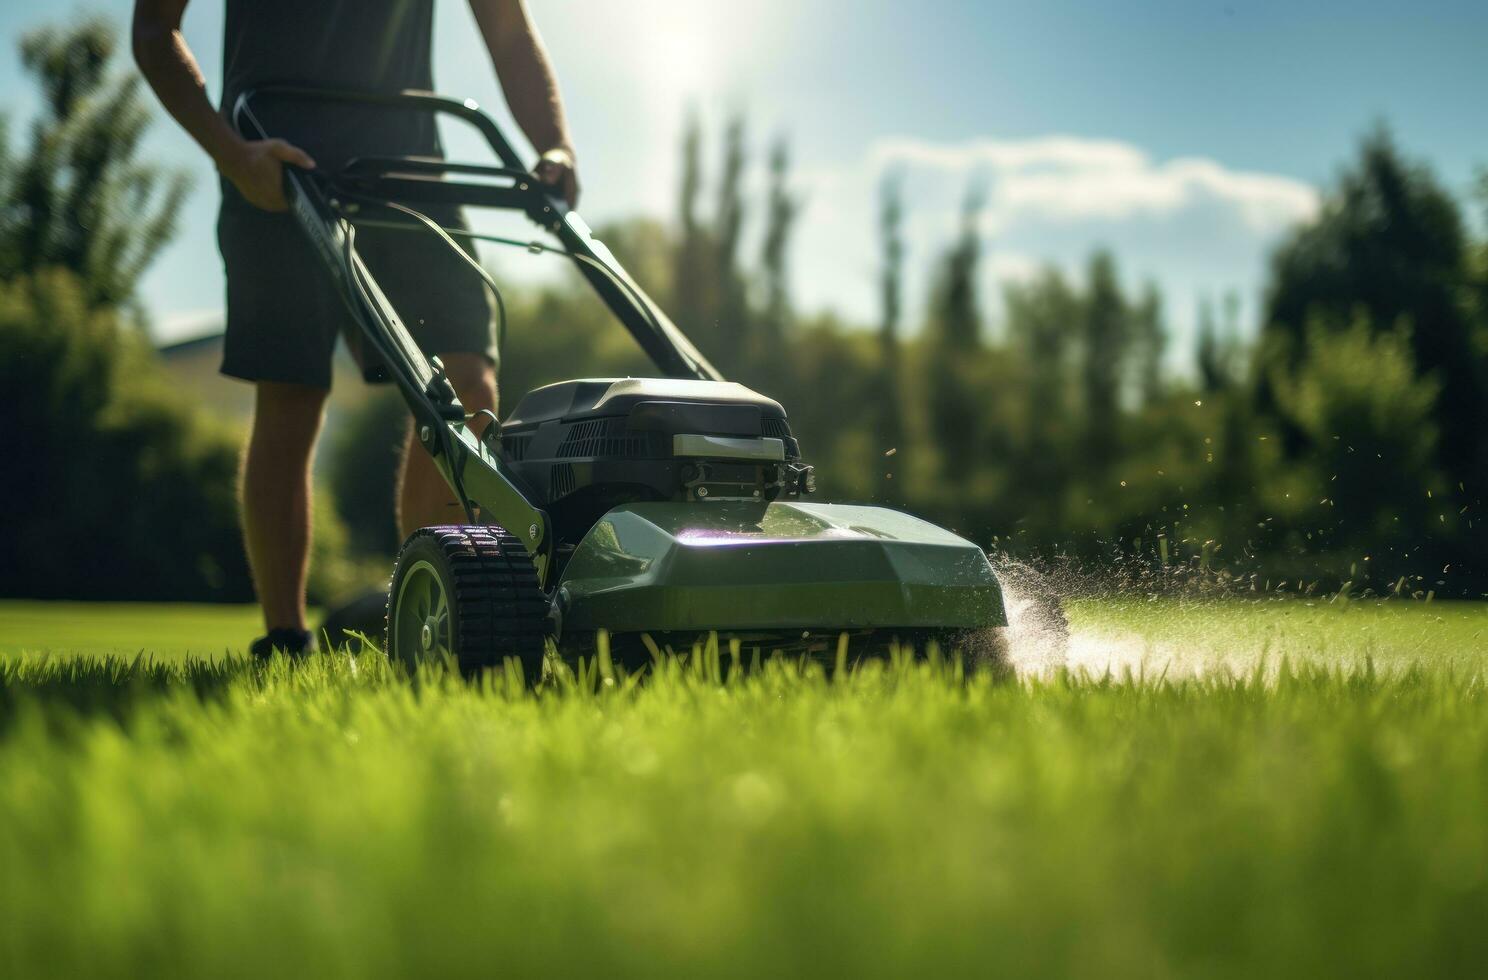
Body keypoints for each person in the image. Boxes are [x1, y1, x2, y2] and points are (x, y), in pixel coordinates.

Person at [132, 0, 578, 658]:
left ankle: (435, 621)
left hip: (411, 166)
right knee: (291, 399)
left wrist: (553, 142)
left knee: (467, 385)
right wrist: (233, 154)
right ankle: (285, 636)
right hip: (273, 164)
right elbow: (154, 29)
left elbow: (508, 29)